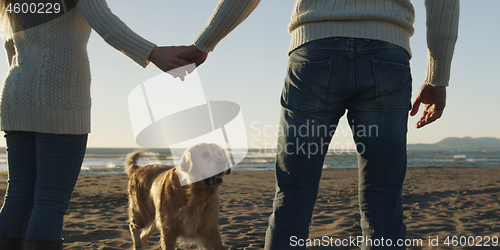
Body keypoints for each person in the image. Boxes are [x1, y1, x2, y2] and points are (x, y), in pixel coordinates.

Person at [177, 0, 459, 249]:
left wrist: (204, 44)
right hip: (386, 56)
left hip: (314, 52)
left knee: (294, 193)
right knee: (383, 196)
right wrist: (438, 75)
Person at [0, 0, 190, 249]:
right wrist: (152, 53)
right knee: (49, 201)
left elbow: (9, 44)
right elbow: (104, 21)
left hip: (16, 93)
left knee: (17, 197)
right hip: (59, 97)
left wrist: (27, 83)